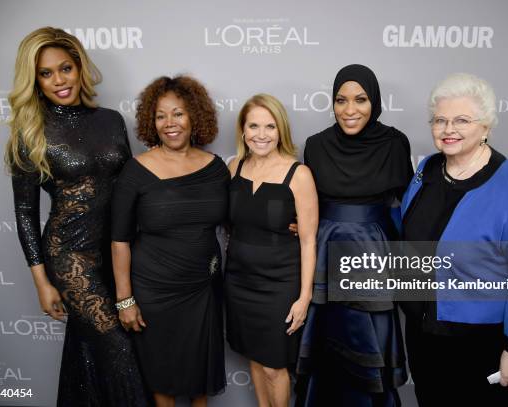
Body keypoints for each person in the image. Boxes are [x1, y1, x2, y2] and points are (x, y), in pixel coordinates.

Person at [6, 27, 148, 406]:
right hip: (71, 259)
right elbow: (24, 213)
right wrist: (42, 282)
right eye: (46, 73)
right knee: (118, 349)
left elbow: (131, 188)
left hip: (117, 254)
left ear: (79, 67)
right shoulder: (31, 131)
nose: (59, 80)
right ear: (34, 80)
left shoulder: (111, 120)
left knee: (86, 354)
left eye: (65, 68)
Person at [400, 73, 508, 406]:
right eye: (440, 120)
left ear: (486, 126)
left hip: (480, 344)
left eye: (461, 120)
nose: (448, 129)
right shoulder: (427, 170)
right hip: (423, 336)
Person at [295, 64, 412, 407]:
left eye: (360, 99)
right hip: (325, 250)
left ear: (374, 101)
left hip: (372, 252)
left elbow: (408, 205)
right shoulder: (315, 145)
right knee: (326, 341)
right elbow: (306, 203)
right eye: (341, 100)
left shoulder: (394, 143)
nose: (350, 110)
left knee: (368, 337)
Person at [111, 75, 227, 407]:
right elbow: (119, 240)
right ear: (151, 121)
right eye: (160, 115)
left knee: (199, 382)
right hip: (154, 293)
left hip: (203, 290)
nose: (169, 123)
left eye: (178, 113)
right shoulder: (136, 171)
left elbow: (244, 214)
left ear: (195, 116)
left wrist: (288, 224)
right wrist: (125, 301)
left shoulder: (216, 169)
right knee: (162, 382)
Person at [225, 94, 318, 407]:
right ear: (242, 129)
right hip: (238, 281)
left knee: (273, 366)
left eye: (270, 126)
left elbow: (308, 240)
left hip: (280, 284)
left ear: (281, 131)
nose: (261, 134)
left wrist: (304, 297)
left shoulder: (299, 174)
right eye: (254, 125)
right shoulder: (233, 167)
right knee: (254, 358)